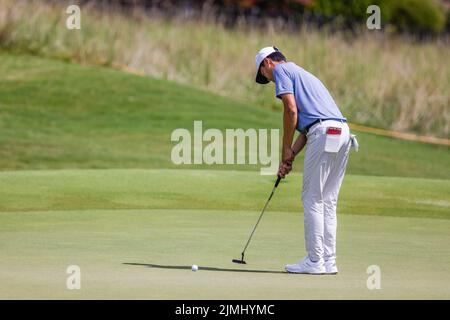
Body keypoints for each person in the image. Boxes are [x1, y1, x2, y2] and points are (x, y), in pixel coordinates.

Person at [254, 46, 357, 275]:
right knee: (327, 200)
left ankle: (314, 261)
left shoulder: (281, 71)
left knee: (312, 198)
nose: (269, 80)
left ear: (267, 63)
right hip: (342, 132)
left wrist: (284, 149)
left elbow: (291, 111)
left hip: (324, 131)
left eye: (264, 75)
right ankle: (329, 261)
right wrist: (290, 157)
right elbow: (309, 127)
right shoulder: (304, 75)